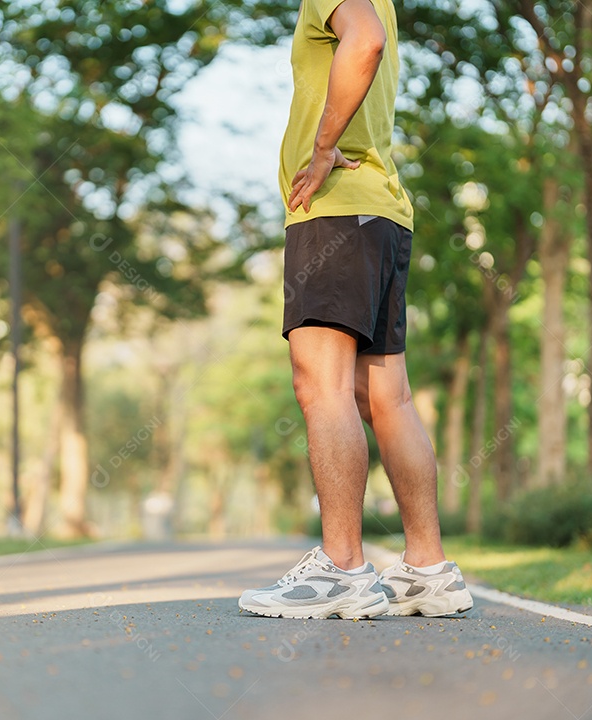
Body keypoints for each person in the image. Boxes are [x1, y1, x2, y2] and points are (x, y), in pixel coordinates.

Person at [238, 0, 473, 619]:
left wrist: (321, 148)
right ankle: (428, 570)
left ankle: (341, 569)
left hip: (335, 211)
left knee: (323, 388)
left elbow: (362, 42)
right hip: (383, 213)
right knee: (386, 398)